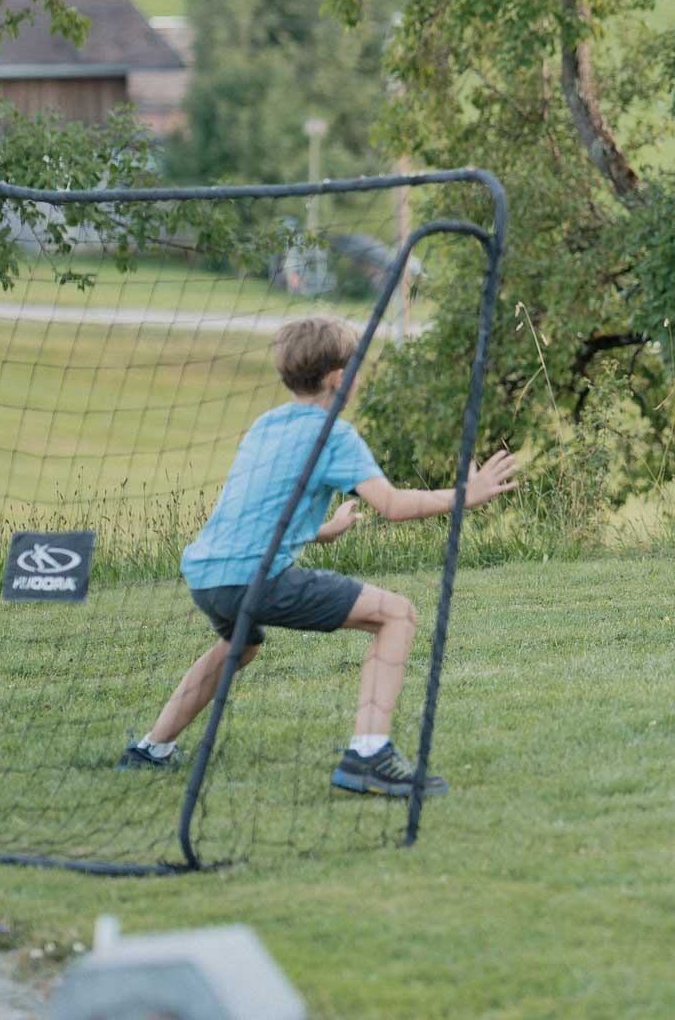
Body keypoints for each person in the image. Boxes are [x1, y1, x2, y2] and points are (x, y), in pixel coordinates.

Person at [120, 316, 521, 796]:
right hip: (254, 578)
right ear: (336, 377)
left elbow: (257, 509)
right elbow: (392, 506)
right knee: (397, 614)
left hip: (207, 576)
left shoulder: (265, 426)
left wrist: (323, 530)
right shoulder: (335, 434)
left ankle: (152, 747)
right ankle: (369, 754)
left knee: (239, 646)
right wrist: (466, 494)